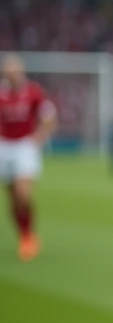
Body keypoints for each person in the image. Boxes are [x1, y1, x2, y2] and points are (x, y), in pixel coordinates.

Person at [0, 53, 56, 261]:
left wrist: (40, 137)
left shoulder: (33, 92)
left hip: (25, 145)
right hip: (4, 146)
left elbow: (49, 115)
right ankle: (23, 233)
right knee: (13, 197)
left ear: (21, 72)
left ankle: (29, 234)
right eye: (8, 71)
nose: (11, 74)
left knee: (23, 194)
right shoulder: (1, 93)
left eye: (15, 70)